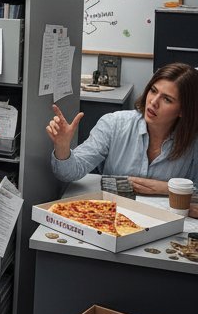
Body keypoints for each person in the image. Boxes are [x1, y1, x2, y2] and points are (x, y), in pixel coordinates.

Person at [48, 62, 198, 211]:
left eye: (167, 99)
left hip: (166, 222)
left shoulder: (193, 142)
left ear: (183, 110)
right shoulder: (114, 124)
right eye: (153, 90)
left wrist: (166, 188)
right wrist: (62, 147)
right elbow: (69, 173)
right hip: (111, 216)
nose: (153, 102)